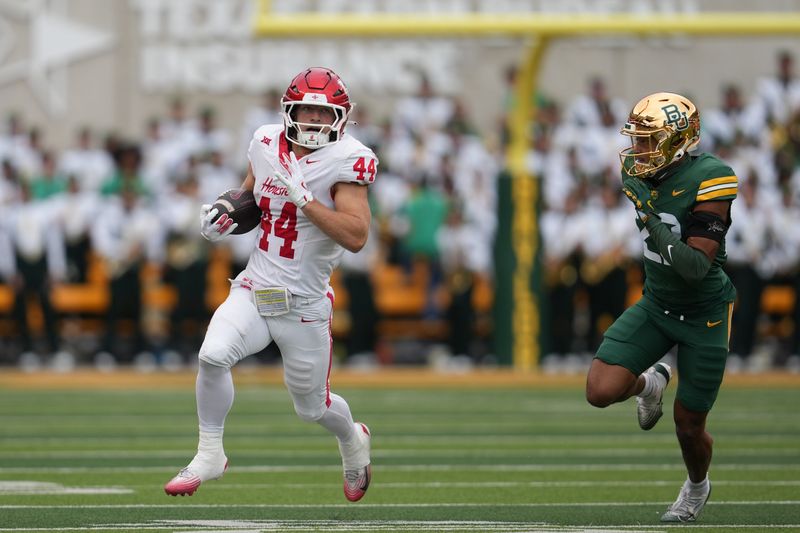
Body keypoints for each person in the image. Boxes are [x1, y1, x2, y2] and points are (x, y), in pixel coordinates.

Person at [164, 67, 376, 502]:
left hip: (305, 304)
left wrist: (306, 200)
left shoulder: (348, 159)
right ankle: (209, 453)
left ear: (340, 117)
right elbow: (252, 198)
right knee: (212, 355)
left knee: (312, 408)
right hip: (255, 288)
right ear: (290, 111)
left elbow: (356, 236)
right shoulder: (264, 142)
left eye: (324, 113)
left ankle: (353, 439)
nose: (315, 121)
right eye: (308, 111)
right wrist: (226, 214)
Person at [585, 93, 738, 523]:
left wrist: (649, 215)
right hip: (657, 303)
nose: (638, 150)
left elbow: (692, 265)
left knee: (688, 424)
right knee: (599, 390)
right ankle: (649, 385)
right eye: (638, 139)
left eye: (650, 141)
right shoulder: (638, 170)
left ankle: (696, 487)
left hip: (705, 311)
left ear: (679, 141)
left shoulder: (714, 177)